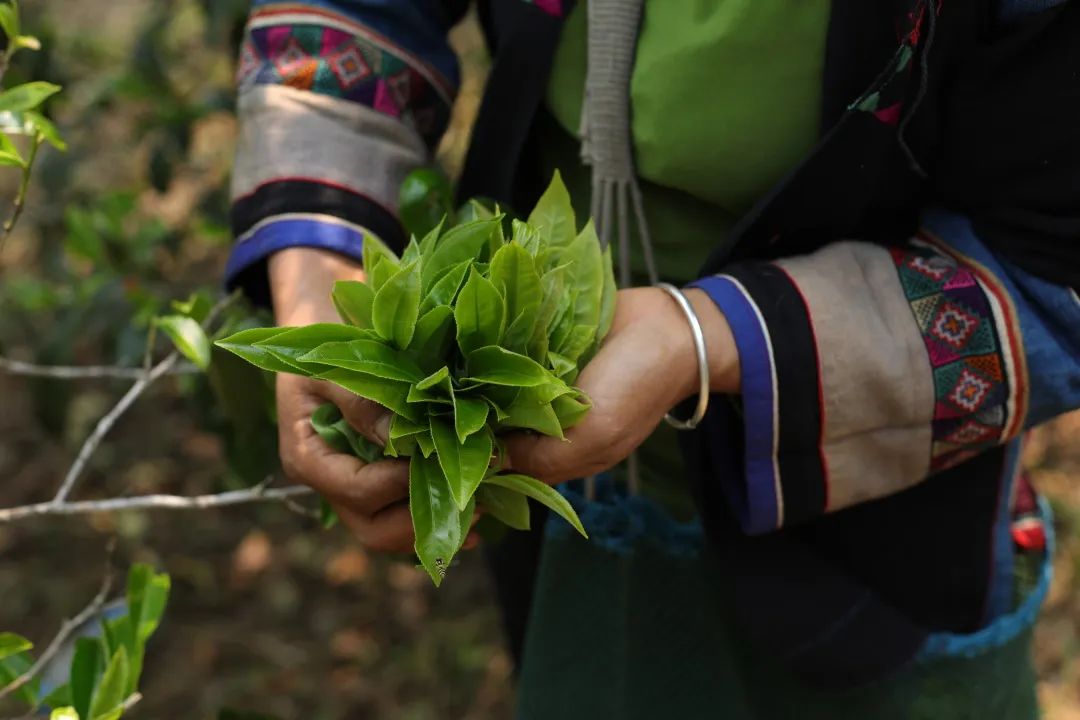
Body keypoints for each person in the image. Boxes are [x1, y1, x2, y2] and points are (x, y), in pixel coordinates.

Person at [226, 0, 1080, 716]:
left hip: (880, 521)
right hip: (558, 469)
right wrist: (318, 277)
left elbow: (1051, 270)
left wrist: (703, 338)